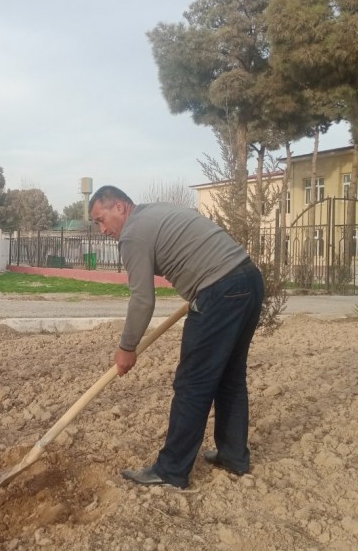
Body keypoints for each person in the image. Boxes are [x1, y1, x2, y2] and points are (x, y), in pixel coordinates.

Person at [88, 185, 264, 489]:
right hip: (247, 278)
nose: (103, 230)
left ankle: (170, 471)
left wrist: (126, 347)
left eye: (101, 219)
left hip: (220, 290)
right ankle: (233, 456)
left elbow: (142, 299)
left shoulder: (133, 233)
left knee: (192, 383)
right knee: (230, 376)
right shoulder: (154, 212)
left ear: (119, 207)